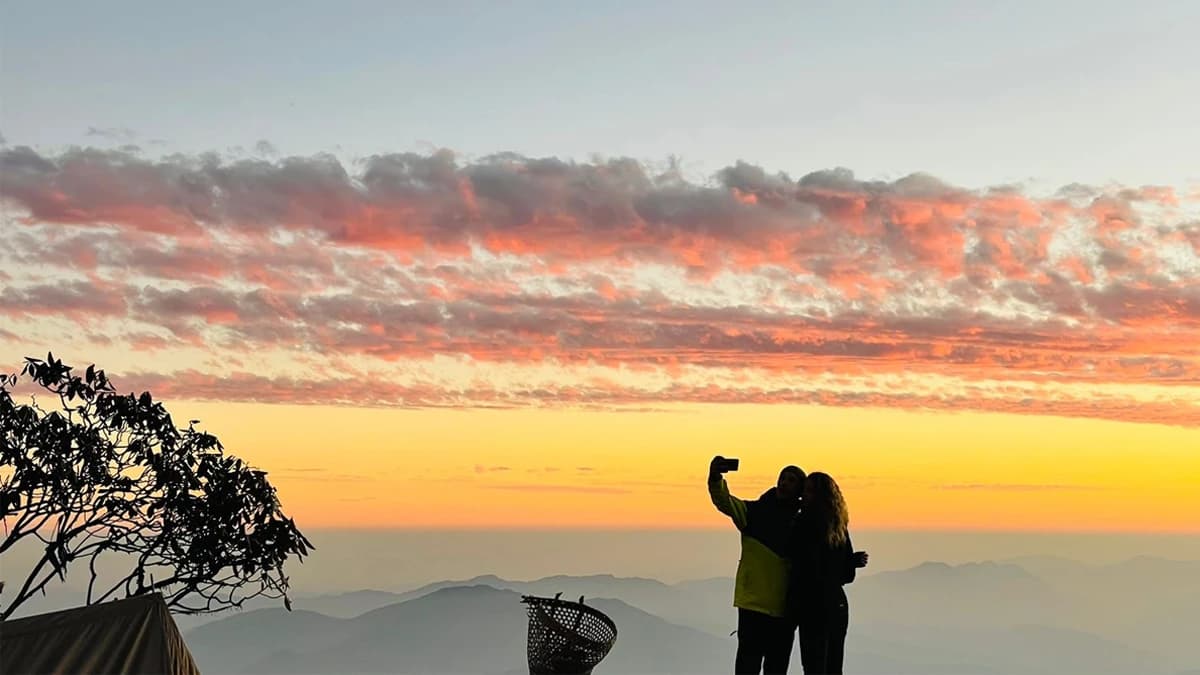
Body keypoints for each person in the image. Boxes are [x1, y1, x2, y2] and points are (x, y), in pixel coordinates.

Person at [708, 455, 805, 675]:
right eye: (783, 478)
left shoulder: (802, 524)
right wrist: (715, 478)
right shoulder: (753, 512)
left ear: (800, 490)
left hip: (783, 609)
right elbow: (725, 501)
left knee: (772, 667)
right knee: (749, 666)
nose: (784, 483)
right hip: (755, 605)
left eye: (791, 480)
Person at [786, 472, 868, 675]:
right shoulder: (838, 527)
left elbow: (803, 570)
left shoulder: (802, 525)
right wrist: (849, 563)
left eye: (808, 491)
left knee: (814, 666)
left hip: (812, 607)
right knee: (834, 666)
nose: (803, 495)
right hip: (836, 603)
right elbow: (848, 575)